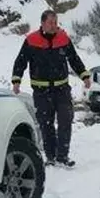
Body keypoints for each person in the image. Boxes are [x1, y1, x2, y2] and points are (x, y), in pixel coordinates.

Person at [12, 10, 91, 167]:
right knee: (46, 124)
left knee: (65, 121)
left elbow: (74, 59)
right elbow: (21, 61)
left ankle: (62, 156)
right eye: (50, 23)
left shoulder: (63, 38)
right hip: (41, 92)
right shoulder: (32, 40)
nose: (54, 25)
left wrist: (84, 75)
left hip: (62, 90)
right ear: (42, 23)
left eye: (55, 22)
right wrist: (16, 80)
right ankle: (50, 156)